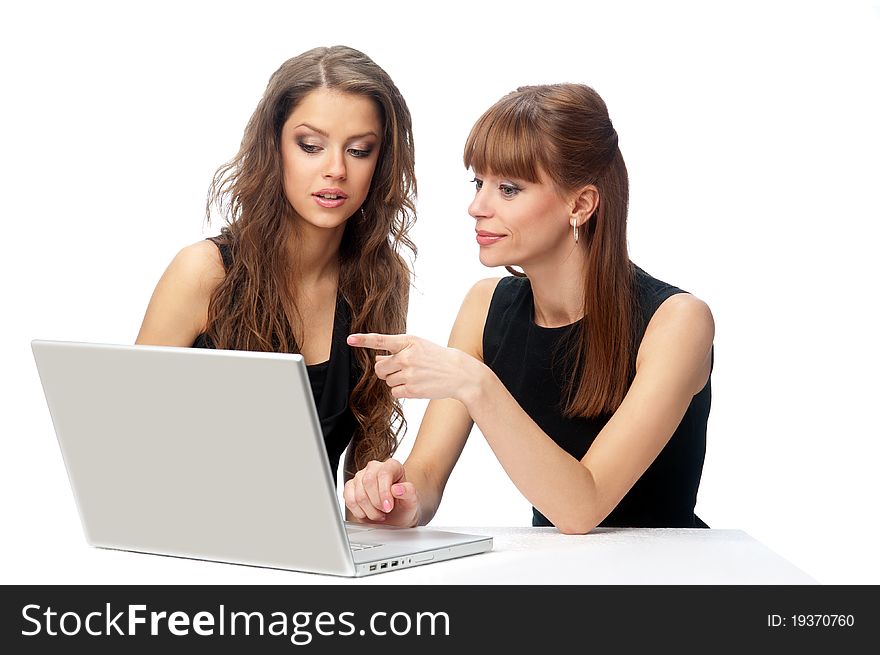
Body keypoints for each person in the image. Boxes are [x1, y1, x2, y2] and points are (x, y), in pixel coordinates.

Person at [344, 83, 714, 533]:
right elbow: (426, 481)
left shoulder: (677, 321)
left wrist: (475, 383)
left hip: (676, 578)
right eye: (479, 183)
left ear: (580, 204)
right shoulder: (485, 306)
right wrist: (396, 496)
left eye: (509, 189)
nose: (476, 206)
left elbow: (583, 507)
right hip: (555, 575)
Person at [136, 46, 417, 483]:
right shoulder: (204, 272)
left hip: (316, 546)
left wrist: (380, 498)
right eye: (311, 146)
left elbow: (364, 465)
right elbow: (126, 446)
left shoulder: (380, 282)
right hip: (195, 540)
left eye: (360, 150)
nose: (336, 169)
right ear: (275, 146)